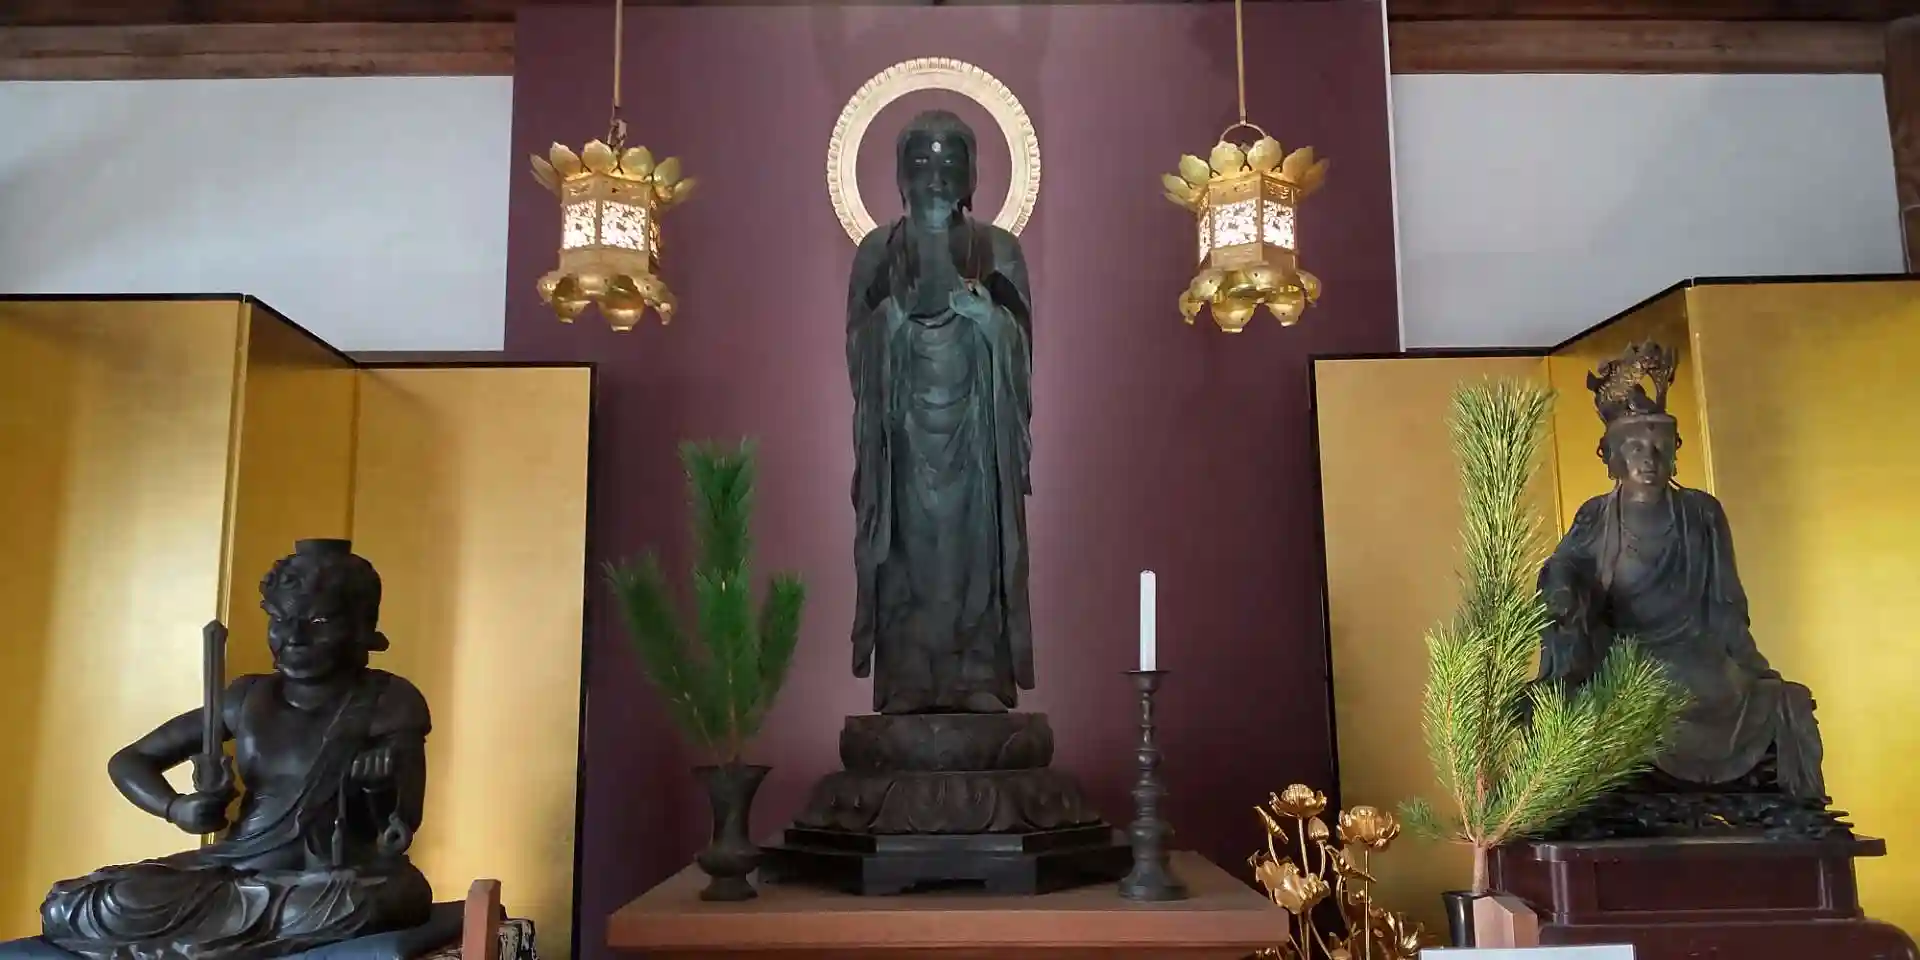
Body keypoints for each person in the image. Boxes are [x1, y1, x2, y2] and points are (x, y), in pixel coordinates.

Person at [40, 539, 434, 960]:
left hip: (328, 879)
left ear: (362, 626)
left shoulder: (387, 701)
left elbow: (400, 827)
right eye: (280, 619)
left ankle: (220, 931)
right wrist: (177, 807)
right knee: (74, 903)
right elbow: (130, 761)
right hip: (236, 868)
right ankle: (225, 932)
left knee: (385, 898)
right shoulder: (247, 698)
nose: (293, 637)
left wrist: (378, 790)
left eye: (318, 621)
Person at [1536, 342, 1824, 800]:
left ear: (1674, 452)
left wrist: (1750, 663)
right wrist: (1563, 586)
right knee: (1624, 695)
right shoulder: (1597, 516)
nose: (1648, 459)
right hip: (1625, 654)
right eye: (1635, 448)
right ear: (1613, 456)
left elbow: (1725, 601)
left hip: (1695, 649)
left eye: (1659, 447)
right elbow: (1564, 565)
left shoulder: (1701, 513)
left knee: (1762, 695)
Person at [845, 110, 1036, 715]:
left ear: (973, 173)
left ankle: (979, 676)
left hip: (977, 434)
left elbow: (1022, 346)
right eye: (922, 159)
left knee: (975, 553)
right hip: (903, 438)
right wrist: (892, 319)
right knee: (907, 552)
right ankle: (907, 679)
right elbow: (855, 344)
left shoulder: (998, 247)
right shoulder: (878, 250)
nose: (936, 173)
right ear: (900, 173)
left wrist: (988, 320)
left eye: (951, 158)